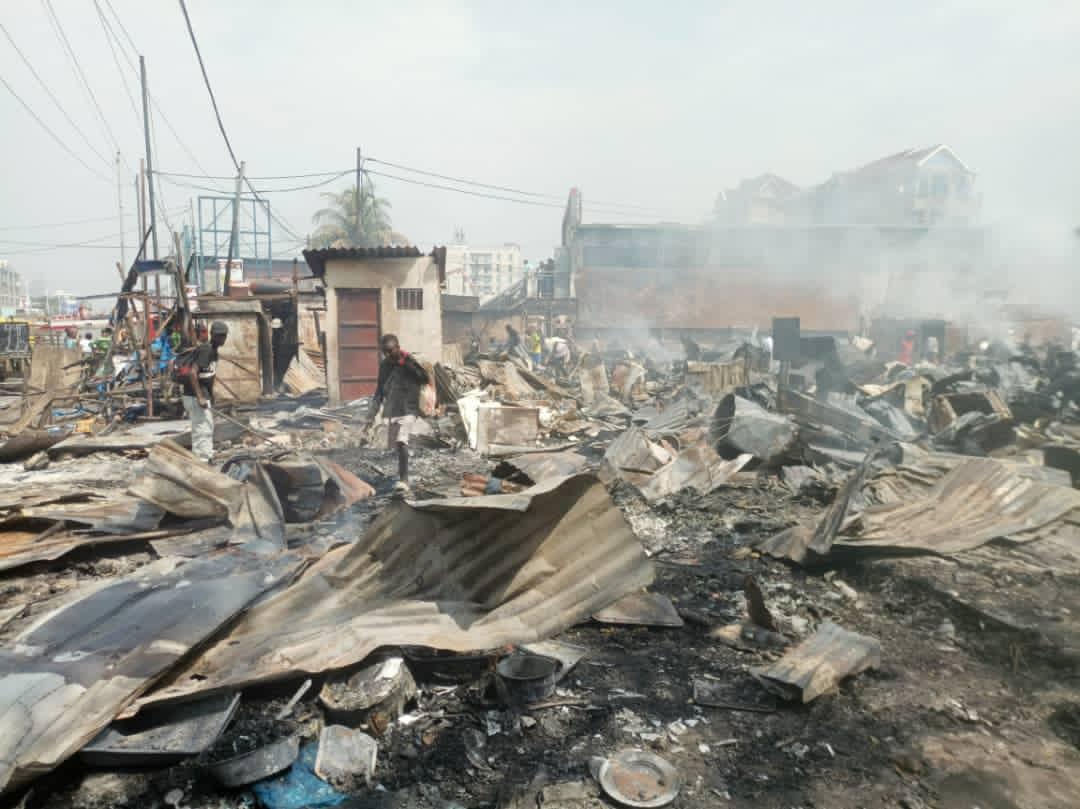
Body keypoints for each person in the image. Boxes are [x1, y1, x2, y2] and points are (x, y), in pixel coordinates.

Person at [367, 333, 430, 495]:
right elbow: (380, 391)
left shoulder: (409, 361)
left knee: (401, 441)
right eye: (384, 352)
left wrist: (406, 363)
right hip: (394, 410)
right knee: (396, 445)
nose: (387, 355)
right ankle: (402, 475)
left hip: (409, 409)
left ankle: (404, 480)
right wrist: (371, 415)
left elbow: (424, 379)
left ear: (397, 348)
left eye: (390, 351)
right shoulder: (385, 366)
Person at [180, 321, 228, 463]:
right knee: (202, 429)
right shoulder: (206, 350)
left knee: (206, 427)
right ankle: (202, 461)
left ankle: (206, 457)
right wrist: (200, 397)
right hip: (194, 397)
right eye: (219, 336)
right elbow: (193, 374)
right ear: (212, 335)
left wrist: (210, 396)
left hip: (201, 396)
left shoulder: (213, 350)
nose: (222, 339)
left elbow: (208, 377)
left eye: (224, 336)